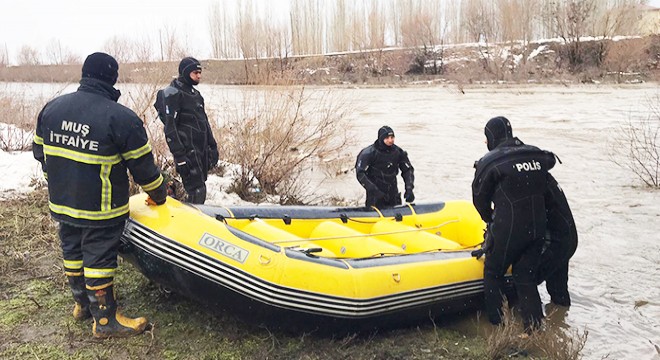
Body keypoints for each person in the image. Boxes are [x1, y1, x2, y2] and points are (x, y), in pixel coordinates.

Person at [32, 52, 167, 338]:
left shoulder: (52, 109)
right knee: (98, 257)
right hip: (101, 207)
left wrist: (56, 182)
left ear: (84, 74)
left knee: (72, 251)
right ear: (112, 78)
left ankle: (82, 305)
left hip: (62, 202)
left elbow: (40, 154)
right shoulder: (121, 118)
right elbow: (144, 169)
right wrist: (159, 194)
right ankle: (105, 320)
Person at [471, 116, 556, 332]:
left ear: (491, 136)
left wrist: (489, 219)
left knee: (493, 271)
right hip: (537, 226)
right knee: (524, 275)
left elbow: (479, 198)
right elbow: (550, 162)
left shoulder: (491, 160)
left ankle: (497, 327)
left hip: (509, 227)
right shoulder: (535, 153)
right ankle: (535, 330)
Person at [154, 56, 218, 204]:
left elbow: (204, 122)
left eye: (200, 72)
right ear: (185, 72)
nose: (199, 76)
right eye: (195, 72)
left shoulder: (196, 95)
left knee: (200, 186)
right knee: (196, 189)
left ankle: (194, 217)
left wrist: (212, 146)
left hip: (200, 149)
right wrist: (180, 157)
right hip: (187, 151)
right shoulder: (173, 93)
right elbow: (170, 128)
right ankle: (193, 223)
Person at [537, 173, 578, 307]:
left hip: (557, 242)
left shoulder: (529, 180)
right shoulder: (543, 174)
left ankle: (533, 324)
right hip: (567, 237)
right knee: (558, 290)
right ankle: (559, 322)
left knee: (525, 280)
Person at [355, 126, 415, 208]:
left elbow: (408, 170)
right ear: (381, 138)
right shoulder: (368, 153)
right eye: (387, 138)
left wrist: (409, 189)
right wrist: (373, 190)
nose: (390, 140)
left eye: (392, 137)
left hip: (393, 194)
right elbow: (360, 173)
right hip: (375, 196)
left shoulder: (398, 152)